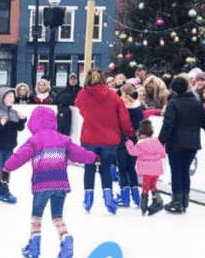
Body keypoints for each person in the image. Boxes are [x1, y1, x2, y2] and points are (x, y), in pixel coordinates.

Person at [0, 105, 96, 258]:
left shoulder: (35, 139)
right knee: (57, 217)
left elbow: (20, 156)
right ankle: (66, 237)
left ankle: (34, 248)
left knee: (36, 216)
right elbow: (79, 153)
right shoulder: (63, 139)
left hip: (42, 185)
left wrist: (6, 169)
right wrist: (93, 157)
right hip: (61, 185)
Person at [158, 75, 205, 214]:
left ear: (173, 89)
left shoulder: (173, 103)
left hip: (175, 143)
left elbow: (168, 124)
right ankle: (184, 201)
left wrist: (160, 141)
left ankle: (176, 201)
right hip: (192, 144)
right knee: (185, 172)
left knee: (176, 172)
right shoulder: (197, 103)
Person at [75, 67, 134, 215]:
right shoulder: (113, 95)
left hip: (89, 138)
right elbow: (124, 118)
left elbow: (81, 109)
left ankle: (88, 200)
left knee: (89, 169)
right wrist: (129, 132)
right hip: (109, 139)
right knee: (105, 170)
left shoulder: (82, 94)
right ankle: (108, 200)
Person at [0, 88, 26, 205]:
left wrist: (22, 120)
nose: (12, 99)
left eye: (13, 97)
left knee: (6, 171)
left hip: (9, 147)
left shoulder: (14, 113)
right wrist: (0, 124)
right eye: (9, 97)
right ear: (2, 98)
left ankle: (4, 193)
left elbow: (20, 128)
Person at [124, 119, 166, 215]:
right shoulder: (157, 142)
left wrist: (128, 143)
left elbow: (132, 152)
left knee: (145, 187)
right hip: (157, 169)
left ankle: (144, 205)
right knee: (152, 186)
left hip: (146, 170)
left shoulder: (140, 144)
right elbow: (163, 154)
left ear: (140, 135)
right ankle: (157, 200)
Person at [54, 72, 79, 136]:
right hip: (66, 116)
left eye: (74, 79)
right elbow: (55, 102)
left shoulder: (81, 91)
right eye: (71, 79)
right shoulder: (63, 92)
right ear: (68, 80)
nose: (73, 81)